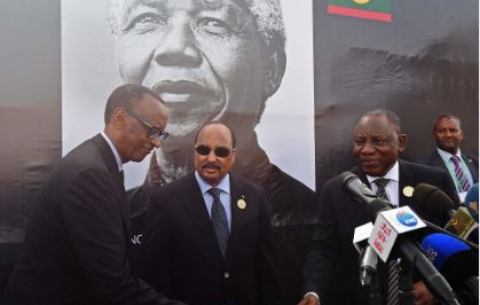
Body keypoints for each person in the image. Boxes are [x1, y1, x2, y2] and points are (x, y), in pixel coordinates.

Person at [108, 1, 317, 302]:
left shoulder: (306, 213)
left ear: (271, 67)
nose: (174, 48)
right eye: (148, 18)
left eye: (213, 22)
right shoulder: (119, 213)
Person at [2, 84, 186, 305]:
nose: (156, 143)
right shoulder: (90, 174)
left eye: (161, 135)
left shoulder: (101, 164)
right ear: (120, 118)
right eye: (153, 131)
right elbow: (114, 286)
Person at [299, 110, 459, 305]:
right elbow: (323, 249)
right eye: (359, 141)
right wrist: (312, 293)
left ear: (401, 143)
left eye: (378, 141)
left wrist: (434, 284)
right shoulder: (336, 190)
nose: (366, 150)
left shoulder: (434, 180)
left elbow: (458, 239)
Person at [134, 122, 283, 305]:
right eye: (204, 150)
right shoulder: (165, 201)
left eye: (221, 152)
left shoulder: (255, 197)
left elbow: (267, 271)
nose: (211, 158)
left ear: (233, 155)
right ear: (195, 152)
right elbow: (152, 275)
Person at [417, 114, 479, 202]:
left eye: (453, 130)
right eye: (442, 131)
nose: (448, 135)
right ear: (434, 136)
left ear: (461, 135)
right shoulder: (423, 166)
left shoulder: (476, 162)